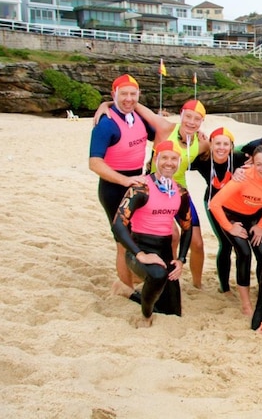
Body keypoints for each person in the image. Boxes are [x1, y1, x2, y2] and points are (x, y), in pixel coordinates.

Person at [96, 97, 211, 288]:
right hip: (154, 190)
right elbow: (132, 103)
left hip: (179, 192)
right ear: (181, 115)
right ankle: (168, 272)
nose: (191, 122)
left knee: (197, 243)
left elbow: (223, 150)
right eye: (188, 116)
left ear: (201, 122)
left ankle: (197, 285)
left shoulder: (202, 143)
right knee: (172, 235)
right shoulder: (165, 127)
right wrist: (106, 104)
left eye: (196, 119)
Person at [111, 140, 193, 327]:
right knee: (157, 275)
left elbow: (187, 227)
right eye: (164, 157)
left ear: (179, 163)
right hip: (139, 248)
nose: (169, 162)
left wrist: (180, 259)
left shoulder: (180, 193)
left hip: (164, 250)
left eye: (174, 159)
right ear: (156, 158)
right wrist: (140, 254)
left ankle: (128, 292)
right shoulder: (141, 187)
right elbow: (118, 225)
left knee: (173, 312)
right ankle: (145, 317)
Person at [89, 74, 154, 299]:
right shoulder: (106, 123)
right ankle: (126, 288)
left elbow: (166, 132)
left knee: (141, 235)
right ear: (113, 94)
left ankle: (134, 275)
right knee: (123, 241)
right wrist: (124, 180)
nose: (128, 99)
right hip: (114, 187)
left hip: (137, 182)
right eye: (123, 94)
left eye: (133, 94)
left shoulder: (139, 118)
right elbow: (94, 163)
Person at [208, 146, 262, 316]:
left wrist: (261, 225)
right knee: (244, 253)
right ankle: (246, 303)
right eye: (258, 164)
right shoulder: (243, 177)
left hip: (253, 215)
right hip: (230, 213)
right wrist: (230, 227)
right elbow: (214, 204)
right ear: (252, 163)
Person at [190, 126, 248, 294]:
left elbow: (258, 154)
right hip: (212, 204)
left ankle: (240, 284)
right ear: (210, 144)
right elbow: (181, 160)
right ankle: (225, 288)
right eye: (217, 144)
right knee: (225, 244)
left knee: (239, 245)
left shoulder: (238, 158)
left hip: (236, 206)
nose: (221, 148)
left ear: (231, 146)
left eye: (226, 144)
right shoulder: (202, 159)